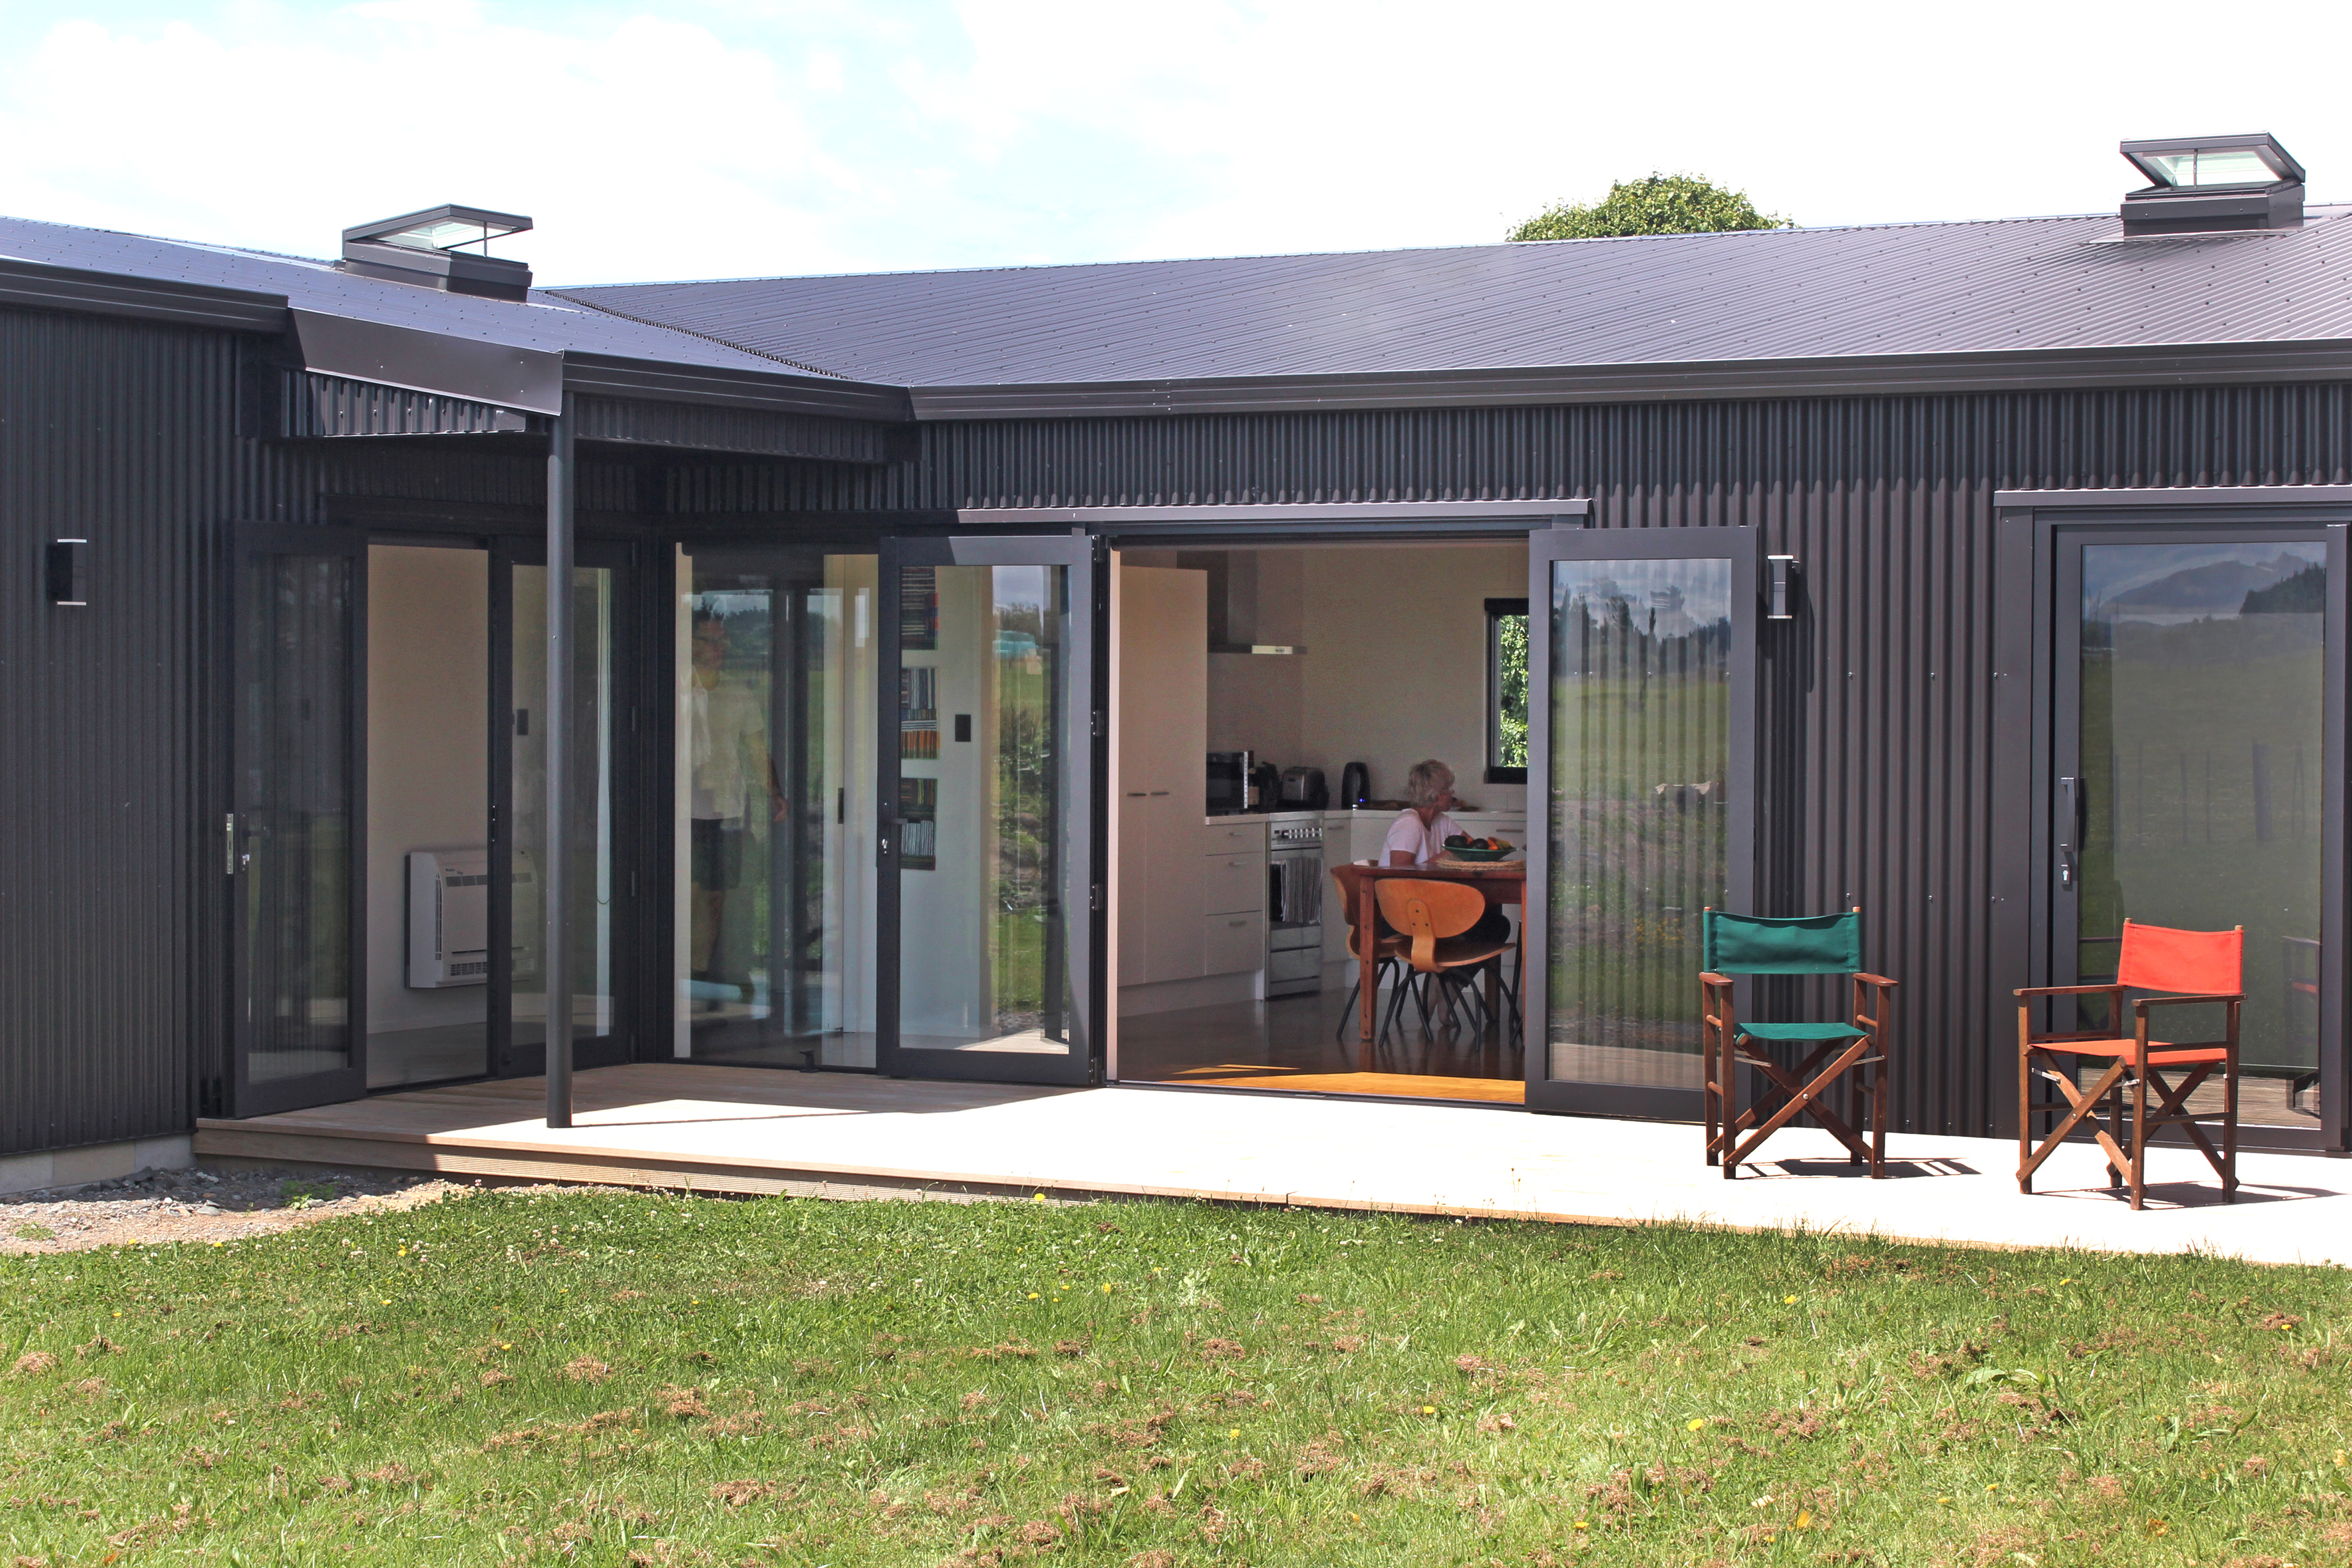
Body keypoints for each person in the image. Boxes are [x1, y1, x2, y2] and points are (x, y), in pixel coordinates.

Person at [687, 611, 786, 999]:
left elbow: (757, 748)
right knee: (684, 894)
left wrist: (774, 792)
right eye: (711, 640)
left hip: (724, 811)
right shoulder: (676, 688)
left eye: (722, 641)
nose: (719, 649)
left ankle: (697, 975)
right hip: (678, 812)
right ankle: (673, 973)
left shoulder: (737, 692)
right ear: (690, 643)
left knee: (715, 897)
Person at [1384, 758, 1511, 941]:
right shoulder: (1409, 824)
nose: (1453, 793)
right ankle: (1445, 960)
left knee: (1495, 922)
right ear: (1436, 795)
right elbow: (1397, 877)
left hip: (1429, 907)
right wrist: (1445, 857)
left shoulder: (1442, 821)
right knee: (1493, 927)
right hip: (1404, 915)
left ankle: (1448, 961)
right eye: (1448, 789)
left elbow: (1472, 848)